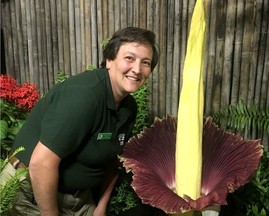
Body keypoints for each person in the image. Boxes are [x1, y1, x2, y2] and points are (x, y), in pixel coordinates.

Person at [9, 26, 159, 216]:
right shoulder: (85, 96)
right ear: (109, 60)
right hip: (33, 193)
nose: (137, 69)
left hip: (80, 199)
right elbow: (40, 164)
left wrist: (100, 207)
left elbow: (113, 162)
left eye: (145, 62)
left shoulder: (128, 107)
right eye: (129, 58)